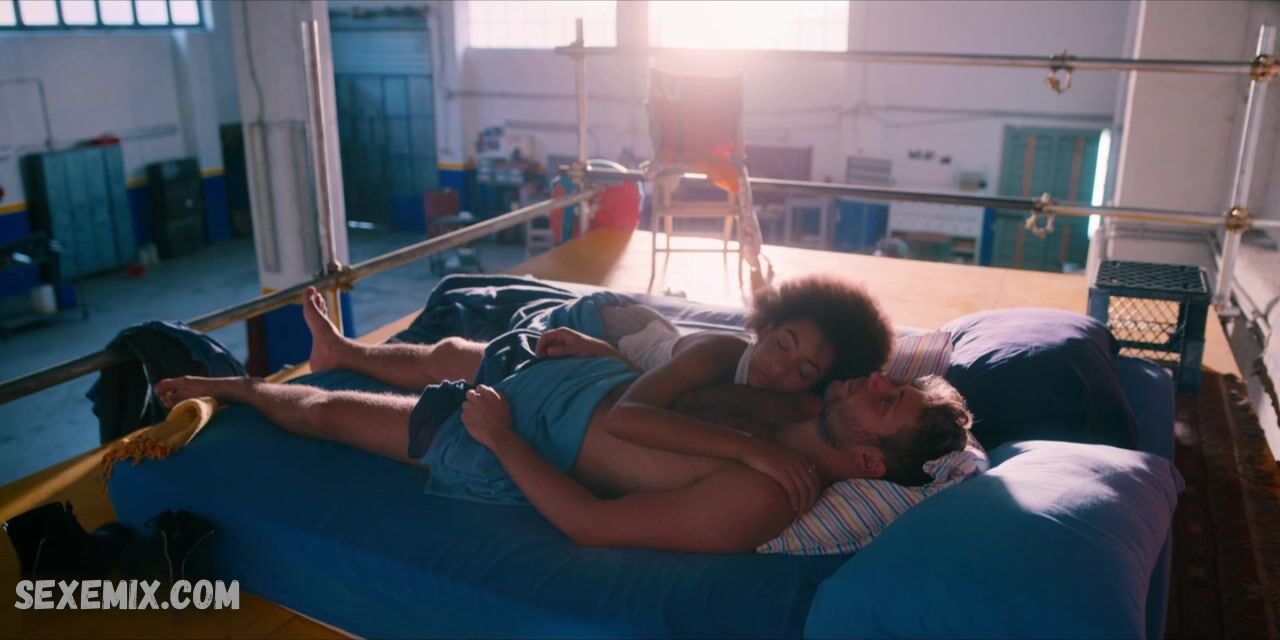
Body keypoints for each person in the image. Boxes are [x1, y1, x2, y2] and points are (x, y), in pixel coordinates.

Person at [155, 334, 969, 555]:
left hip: (523, 438)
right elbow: (658, 391)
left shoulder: (763, 497)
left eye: (887, 399)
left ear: (870, 463)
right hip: (574, 381)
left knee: (332, 413)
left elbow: (591, 524)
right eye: (886, 380)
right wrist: (606, 354)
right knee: (445, 351)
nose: (873, 380)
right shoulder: (790, 401)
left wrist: (502, 439)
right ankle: (341, 349)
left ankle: (233, 388)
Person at [300, 276, 894, 511]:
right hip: (621, 336)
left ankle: (342, 357)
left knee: (459, 365)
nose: (782, 367)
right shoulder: (717, 354)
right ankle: (344, 352)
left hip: (606, 382)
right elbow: (640, 398)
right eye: (783, 343)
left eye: (804, 369)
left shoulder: (788, 411)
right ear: (763, 328)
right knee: (457, 354)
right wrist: (602, 351)